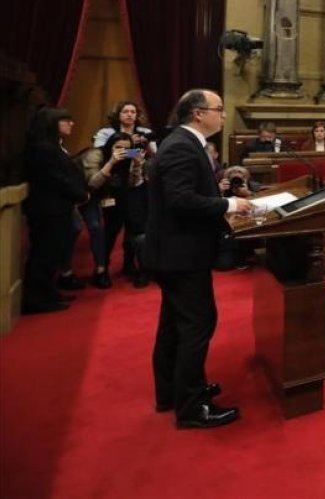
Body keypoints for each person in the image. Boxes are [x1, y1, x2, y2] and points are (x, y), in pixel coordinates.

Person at [144, 89, 252, 428]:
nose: (223, 115)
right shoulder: (181, 147)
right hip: (181, 253)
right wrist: (230, 205)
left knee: (175, 324)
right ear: (197, 113)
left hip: (177, 252)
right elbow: (180, 200)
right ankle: (191, 407)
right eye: (219, 109)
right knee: (197, 324)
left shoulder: (186, 144)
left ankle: (171, 392)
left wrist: (219, 191)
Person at [22, 108, 89, 313]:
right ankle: (37, 299)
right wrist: (81, 194)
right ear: (51, 124)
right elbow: (57, 180)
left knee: (53, 254)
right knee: (45, 255)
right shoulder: (42, 149)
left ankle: (48, 293)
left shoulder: (52, 147)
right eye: (65, 120)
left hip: (56, 209)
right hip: (48, 210)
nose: (71, 124)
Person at [82, 132, 150, 288]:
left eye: (127, 149)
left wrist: (137, 165)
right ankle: (101, 269)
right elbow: (93, 183)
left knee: (134, 225)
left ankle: (133, 265)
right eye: (118, 147)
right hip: (89, 196)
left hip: (117, 196)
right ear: (109, 146)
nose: (122, 152)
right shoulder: (96, 155)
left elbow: (131, 184)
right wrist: (111, 162)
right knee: (107, 232)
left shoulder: (128, 159)